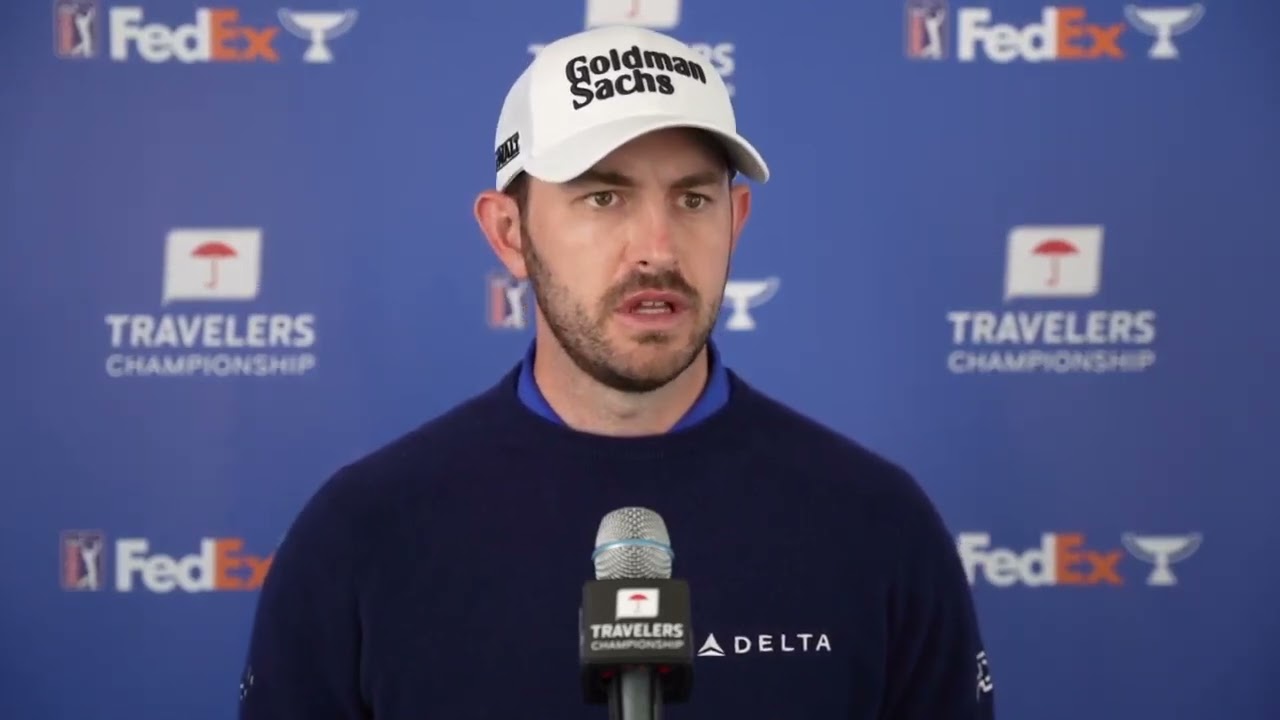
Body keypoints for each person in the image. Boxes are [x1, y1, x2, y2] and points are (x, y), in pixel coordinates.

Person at [237, 24, 996, 719]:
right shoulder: (363, 533)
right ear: (509, 233)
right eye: (604, 197)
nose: (656, 249)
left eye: (692, 199)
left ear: (735, 221)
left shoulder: (875, 523)